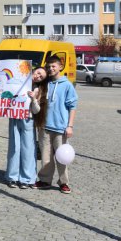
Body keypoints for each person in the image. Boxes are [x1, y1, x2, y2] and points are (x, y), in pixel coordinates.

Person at [34, 56, 78, 194]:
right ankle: (45, 180)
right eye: (49, 66)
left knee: (61, 158)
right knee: (46, 158)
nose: (51, 69)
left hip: (60, 128)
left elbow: (73, 106)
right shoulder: (45, 84)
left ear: (60, 67)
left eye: (53, 66)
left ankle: (63, 182)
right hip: (45, 127)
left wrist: (70, 126)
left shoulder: (67, 85)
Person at [6, 67, 48, 189]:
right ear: (33, 70)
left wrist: (34, 99)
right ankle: (12, 177)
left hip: (28, 120)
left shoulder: (38, 90)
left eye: (41, 77)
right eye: (38, 73)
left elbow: (36, 110)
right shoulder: (19, 81)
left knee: (28, 149)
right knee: (14, 147)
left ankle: (27, 178)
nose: (37, 76)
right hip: (15, 117)